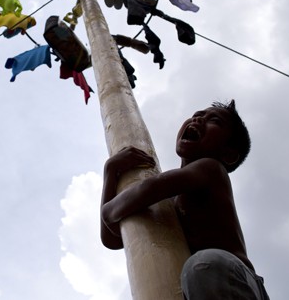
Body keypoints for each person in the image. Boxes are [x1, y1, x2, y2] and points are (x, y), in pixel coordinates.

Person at [100, 100, 270, 299]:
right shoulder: (169, 203)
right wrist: (110, 172)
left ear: (228, 154)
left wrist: (108, 210)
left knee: (205, 264)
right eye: (197, 114)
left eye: (214, 120)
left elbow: (148, 189)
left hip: (233, 280)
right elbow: (112, 238)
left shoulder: (211, 169)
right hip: (198, 286)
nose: (198, 119)